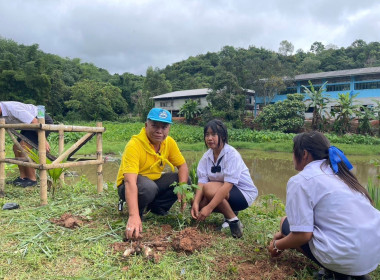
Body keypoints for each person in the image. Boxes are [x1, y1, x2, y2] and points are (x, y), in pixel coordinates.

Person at [268, 131, 380, 279]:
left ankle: (336, 271)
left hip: (344, 256)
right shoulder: (340, 173)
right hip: (373, 254)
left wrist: (277, 245)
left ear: (304, 154)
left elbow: (302, 235)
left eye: (293, 151)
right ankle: (354, 272)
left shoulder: (301, 180)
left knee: (285, 223)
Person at [116, 108, 189, 240]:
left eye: (164, 127)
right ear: (146, 125)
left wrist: (182, 187)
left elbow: (182, 165)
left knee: (184, 179)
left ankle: (157, 208)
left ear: (169, 129)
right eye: (154, 125)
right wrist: (133, 215)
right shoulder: (134, 145)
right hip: (129, 185)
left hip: (153, 182)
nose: (159, 131)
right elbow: (129, 182)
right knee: (148, 187)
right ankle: (137, 213)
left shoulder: (169, 143)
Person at [191, 119, 258, 238]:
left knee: (209, 189)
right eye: (207, 135)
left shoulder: (231, 154)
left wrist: (209, 208)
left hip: (243, 193)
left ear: (222, 135)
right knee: (197, 201)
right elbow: (201, 182)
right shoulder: (206, 157)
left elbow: (227, 186)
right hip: (226, 192)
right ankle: (231, 213)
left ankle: (233, 221)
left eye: (213, 134)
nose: (209, 138)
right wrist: (196, 203)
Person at [0, 101, 53, 187]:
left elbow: (36, 122)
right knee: (16, 148)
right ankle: (23, 177)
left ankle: (32, 179)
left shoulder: (13, 108)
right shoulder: (1, 113)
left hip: (40, 121)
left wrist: (43, 140)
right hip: (28, 125)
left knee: (23, 148)